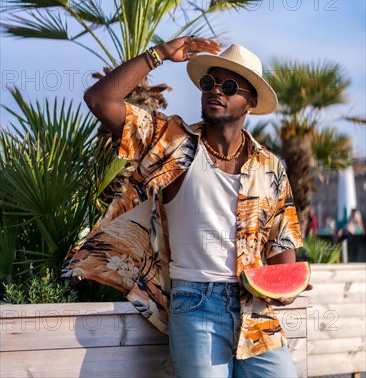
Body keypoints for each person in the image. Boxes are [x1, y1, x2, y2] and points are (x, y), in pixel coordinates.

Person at [62, 36, 310, 378]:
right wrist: (159, 53)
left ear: (250, 101)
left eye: (228, 85)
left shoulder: (270, 166)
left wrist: (287, 287)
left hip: (256, 310)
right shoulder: (171, 141)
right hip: (195, 305)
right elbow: (100, 99)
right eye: (209, 83)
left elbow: (282, 242)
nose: (215, 91)